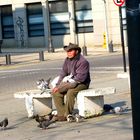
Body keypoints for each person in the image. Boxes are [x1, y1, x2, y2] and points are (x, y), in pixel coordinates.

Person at [52, 43, 91, 121]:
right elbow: (63, 73)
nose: (68, 53)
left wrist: (61, 87)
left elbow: (79, 79)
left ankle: (67, 114)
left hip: (82, 83)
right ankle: (62, 114)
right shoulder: (67, 60)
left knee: (71, 92)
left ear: (76, 51)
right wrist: (57, 85)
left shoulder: (83, 62)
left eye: (70, 51)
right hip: (71, 82)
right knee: (55, 92)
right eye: (67, 51)